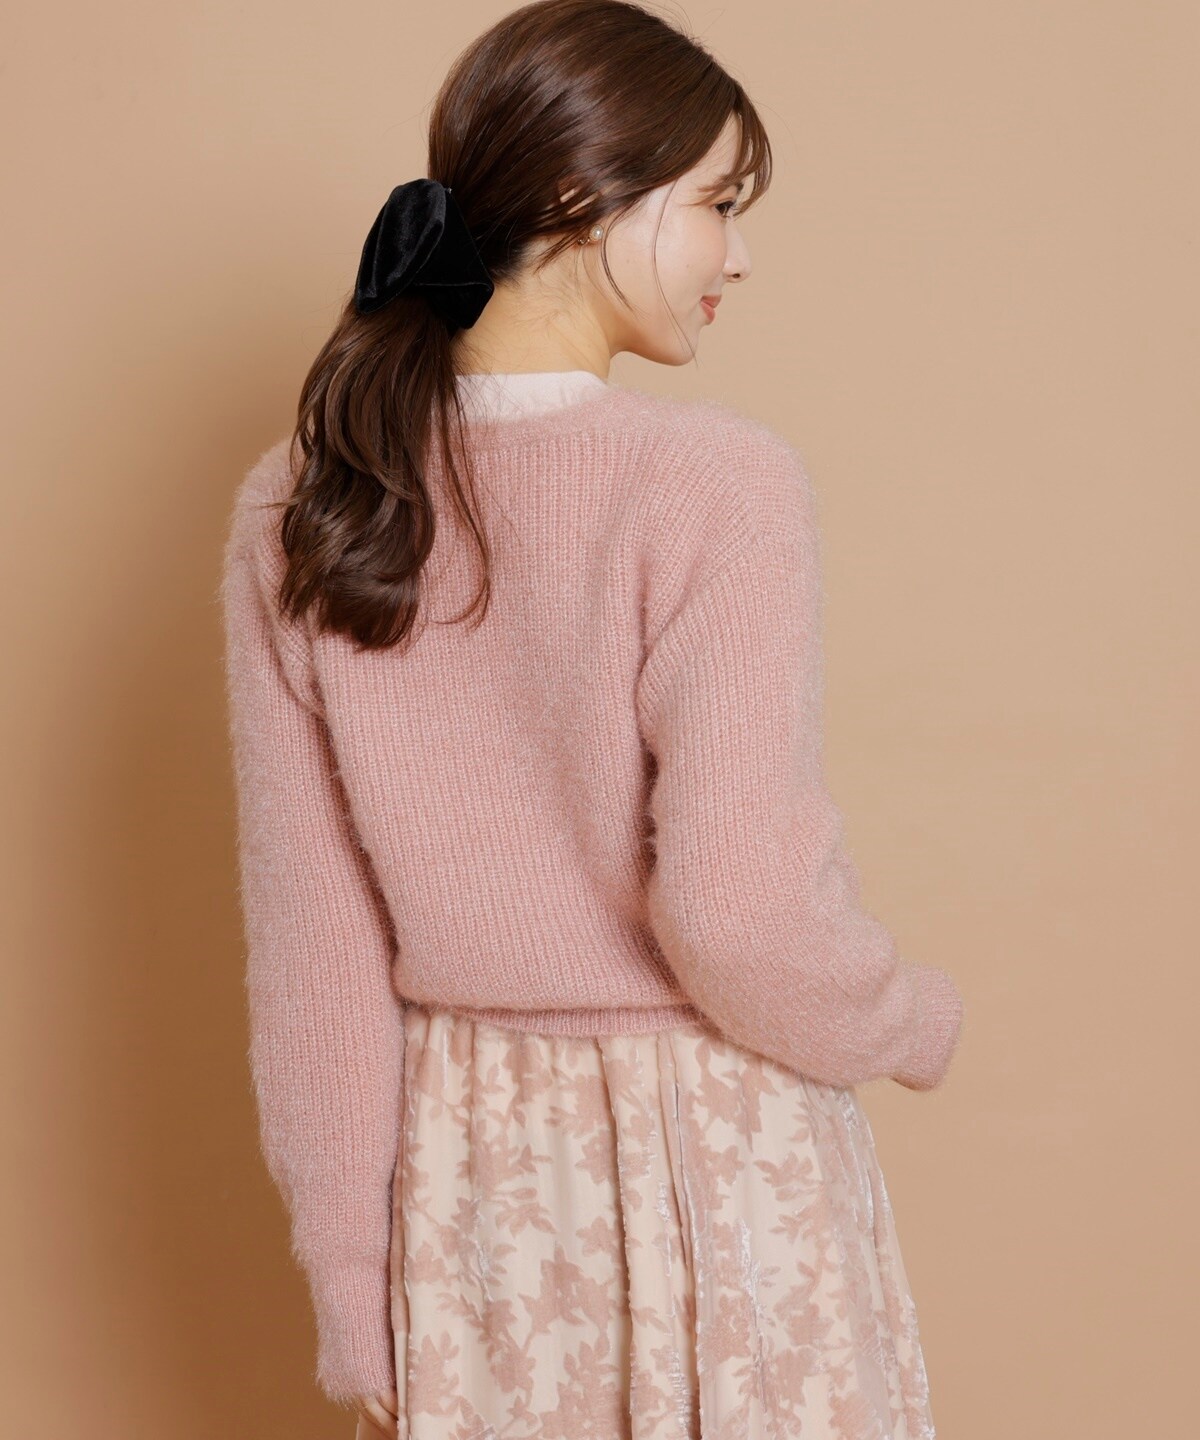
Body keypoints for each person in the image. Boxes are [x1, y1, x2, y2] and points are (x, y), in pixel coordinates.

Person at [218, 2, 966, 1436]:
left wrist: (353, 1283)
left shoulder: (299, 504)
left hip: (467, 1181)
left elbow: (314, 952)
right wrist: (907, 1018)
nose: (739, 255)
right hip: (714, 1148)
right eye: (716, 205)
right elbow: (740, 913)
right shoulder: (717, 485)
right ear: (579, 196)